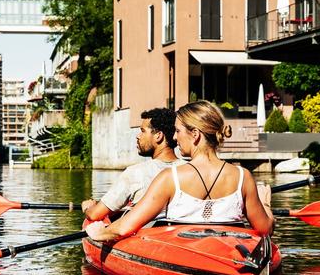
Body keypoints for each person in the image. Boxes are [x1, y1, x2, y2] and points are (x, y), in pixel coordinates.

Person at [85, 100, 274, 243]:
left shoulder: (170, 178)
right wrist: (265, 204)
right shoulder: (243, 176)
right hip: (228, 253)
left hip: (183, 253)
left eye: (178, 131)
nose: (174, 137)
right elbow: (265, 228)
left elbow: (124, 228)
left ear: (195, 135)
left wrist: (98, 232)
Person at [80, 107, 182, 222]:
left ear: (158, 136)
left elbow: (95, 215)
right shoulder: (189, 168)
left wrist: (89, 207)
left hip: (144, 235)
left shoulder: (136, 173)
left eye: (143, 131)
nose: (138, 136)